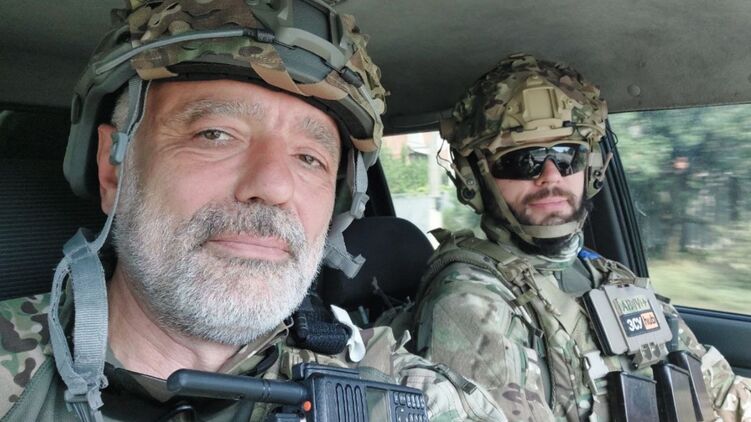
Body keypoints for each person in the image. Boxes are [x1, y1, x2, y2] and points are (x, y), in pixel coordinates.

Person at [0, 1, 505, 421]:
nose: (273, 186)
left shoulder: (404, 396)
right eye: (215, 134)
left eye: (309, 158)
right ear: (113, 170)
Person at [403, 54, 750, 421]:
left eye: (568, 156)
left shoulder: (611, 278)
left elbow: (721, 393)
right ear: (474, 179)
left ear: (592, 168)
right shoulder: (468, 301)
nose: (551, 176)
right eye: (522, 160)